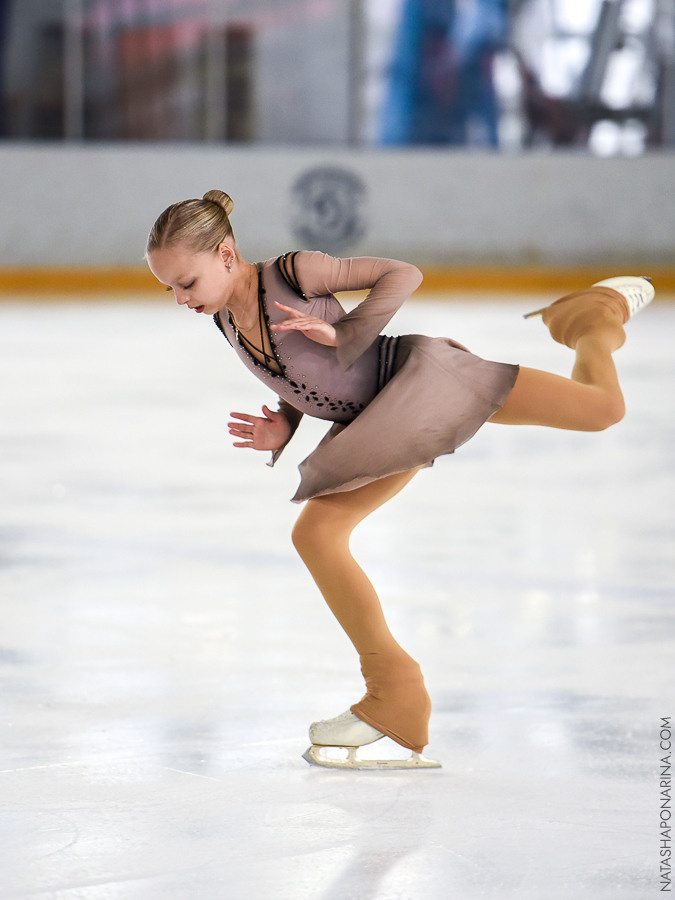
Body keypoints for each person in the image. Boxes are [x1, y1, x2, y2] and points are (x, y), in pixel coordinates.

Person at [145, 189, 653, 770]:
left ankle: (593, 318)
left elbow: (402, 274)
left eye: (186, 282)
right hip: (376, 418)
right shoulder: (225, 319)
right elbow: (293, 372)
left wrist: (347, 332)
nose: (181, 298)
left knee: (602, 411)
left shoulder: (294, 273)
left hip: (418, 383)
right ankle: (394, 689)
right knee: (317, 535)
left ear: (227, 254)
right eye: (170, 289)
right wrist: (283, 425)